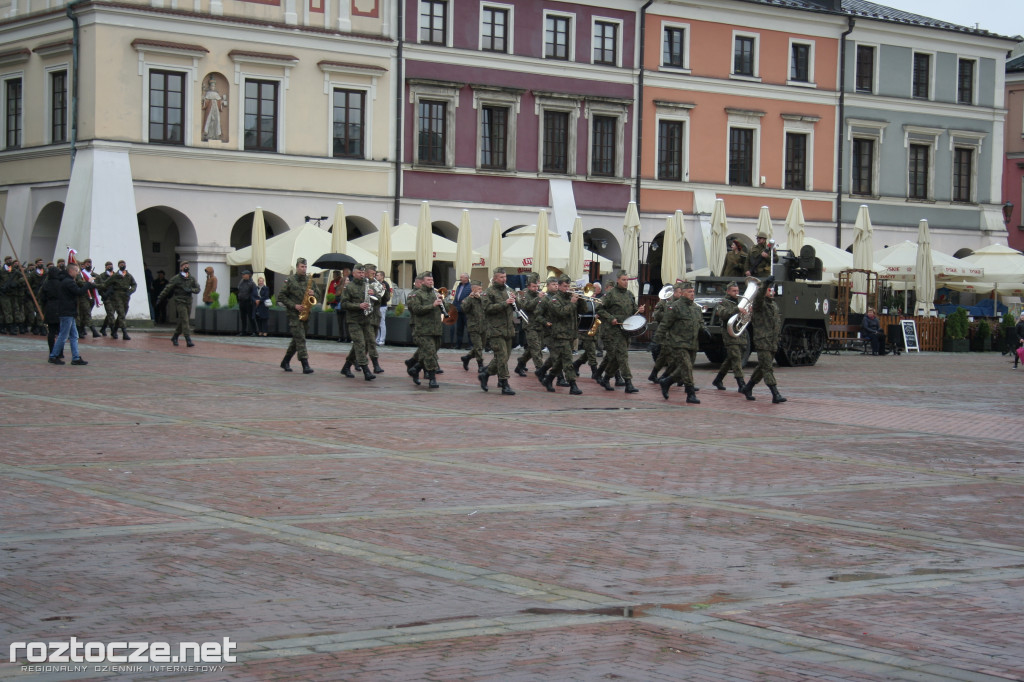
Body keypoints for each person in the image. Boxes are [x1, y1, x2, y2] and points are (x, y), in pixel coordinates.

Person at [595, 270, 644, 393]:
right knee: (622, 356)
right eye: (623, 280)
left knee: (617, 359)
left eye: (627, 280)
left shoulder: (629, 294)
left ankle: (606, 378)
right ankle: (628, 383)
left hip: (626, 330)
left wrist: (639, 310)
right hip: (613, 331)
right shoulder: (611, 294)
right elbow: (599, 309)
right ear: (618, 280)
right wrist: (611, 318)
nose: (626, 282)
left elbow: (633, 310)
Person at [741, 278, 787, 403]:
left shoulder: (773, 304)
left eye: (771, 289)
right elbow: (760, 296)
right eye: (768, 289)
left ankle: (748, 387)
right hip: (762, 341)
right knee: (767, 368)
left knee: (762, 367)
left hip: (772, 342)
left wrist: (778, 338)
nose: (771, 291)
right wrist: (765, 283)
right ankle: (775, 394)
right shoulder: (759, 304)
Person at [658, 281, 703, 403]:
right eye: (689, 292)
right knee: (687, 367)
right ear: (682, 293)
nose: (692, 294)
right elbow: (664, 324)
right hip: (679, 343)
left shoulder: (695, 307)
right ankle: (690, 394)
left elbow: (700, 322)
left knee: (684, 368)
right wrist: (656, 340)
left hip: (692, 343)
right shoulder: (675, 307)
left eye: (693, 292)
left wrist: (705, 330)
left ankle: (666, 382)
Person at [540, 274, 583, 394]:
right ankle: (573, 385)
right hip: (560, 334)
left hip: (571, 334)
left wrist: (580, 300)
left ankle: (548, 379)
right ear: (559, 286)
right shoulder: (554, 299)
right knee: (568, 359)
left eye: (568, 286)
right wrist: (573, 302)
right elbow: (561, 313)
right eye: (565, 286)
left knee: (560, 361)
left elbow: (583, 310)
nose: (567, 288)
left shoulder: (570, 297)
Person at [477, 268, 517, 395]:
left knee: (504, 357)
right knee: (502, 356)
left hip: (508, 329)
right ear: (494, 278)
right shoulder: (488, 292)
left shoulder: (509, 290)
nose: (504, 279)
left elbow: (519, 306)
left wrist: (517, 300)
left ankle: (486, 373)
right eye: (501, 277)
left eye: (505, 277)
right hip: (495, 330)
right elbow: (487, 308)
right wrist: (504, 303)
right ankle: (505, 384)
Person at [47, 262, 95, 365]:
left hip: (70, 312)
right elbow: (79, 292)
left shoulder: (66, 281)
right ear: (71, 271)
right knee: (63, 335)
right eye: (76, 271)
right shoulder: (68, 282)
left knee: (74, 335)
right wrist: (88, 283)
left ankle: (76, 357)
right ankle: (53, 356)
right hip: (67, 312)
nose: (77, 273)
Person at [276, 258, 315, 374]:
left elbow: (318, 294)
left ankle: (285, 361)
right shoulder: (290, 280)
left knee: (297, 339)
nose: (304, 269)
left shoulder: (309, 280)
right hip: (294, 314)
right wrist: (294, 306)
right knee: (301, 339)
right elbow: (281, 297)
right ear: (297, 267)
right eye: (302, 267)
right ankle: (305, 364)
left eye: (305, 267)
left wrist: (314, 293)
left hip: (306, 313)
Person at [339, 264, 378, 381]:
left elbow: (378, 299)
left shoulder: (367, 285)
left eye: (362, 273)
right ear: (353, 274)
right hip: (353, 320)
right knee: (360, 344)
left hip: (366, 319)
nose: (362, 275)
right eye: (359, 273)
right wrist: (358, 306)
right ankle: (366, 370)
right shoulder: (349, 287)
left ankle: (346, 367)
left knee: (363, 344)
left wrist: (373, 294)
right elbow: (344, 304)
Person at [406, 270, 444, 388]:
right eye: (428, 280)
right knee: (430, 353)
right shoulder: (416, 295)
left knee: (429, 352)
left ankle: (415, 368)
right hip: (423, 329)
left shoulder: (434, 293)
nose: (431, 282)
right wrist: (432, 305)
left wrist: (442, 302)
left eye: (432, 280)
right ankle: (432, 378)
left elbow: (444, 308)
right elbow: (416, 309)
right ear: (422, 282)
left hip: (436, 328)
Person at [711, 281, 748, 390]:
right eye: (734, 291)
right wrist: (737, 309)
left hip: (740, 333)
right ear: (728, 291)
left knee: (732, 358)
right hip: (729, 333)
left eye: (737, 291)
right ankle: (742, 384)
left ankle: (718, 379)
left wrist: (749, 311)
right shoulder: (723, 302)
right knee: (736, 358)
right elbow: (723, 314)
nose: (736, 293)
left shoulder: (741, 301)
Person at [156, 261, 201, 347]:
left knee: (182, 320)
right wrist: (160, 297)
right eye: (184, 266)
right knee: (185, 320)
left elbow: (198, 289)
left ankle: (175, 336)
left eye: (187, 265)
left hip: (188, 301)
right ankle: (188, 340)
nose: (186, 267)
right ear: (181, 268)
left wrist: (191, 290)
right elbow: (167, 288)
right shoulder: (176, 278)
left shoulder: (191, 278)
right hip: (180, 301)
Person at [513, 274, 544, 377]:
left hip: (539, 325)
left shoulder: (538, 294)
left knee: (532, 349)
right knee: (536, 349)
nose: (536, 288)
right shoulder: (525, 294)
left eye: (537, 286)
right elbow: (527, 306)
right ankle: (540, 370)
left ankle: (520, 363)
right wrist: (538, 298)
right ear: (529, 286)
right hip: (530, 325)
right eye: (534, 286)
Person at [363, 264, 388, 371]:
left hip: (375, 316)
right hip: (366, 317)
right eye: (372, 273)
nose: (374, 276)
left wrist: (384, 290)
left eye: (375, 274)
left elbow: (384, 299)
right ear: (366, 273)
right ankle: (375, 365)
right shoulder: (363, 284)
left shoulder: (377, 284)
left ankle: (351, 363)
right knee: (372, 341)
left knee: (364, 343)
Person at [107, 260, 137, 340]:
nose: (122, 266)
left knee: (123, 313)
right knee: (121, 314)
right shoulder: (115, 276)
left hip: (126, 296)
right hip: (117, 296)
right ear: (118, 266)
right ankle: (124, 333)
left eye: (123, 264)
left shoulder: (128, 276)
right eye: (121, 264)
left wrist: (131, 291)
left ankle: (114, 330)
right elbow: (106, 284)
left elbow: (134, 284)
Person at [460, 280, 485, 371]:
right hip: (474, 327)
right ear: (473, 289)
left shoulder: (483, 298)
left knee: (481, 346)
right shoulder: (467, 299)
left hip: (484, 326)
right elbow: (464, 309)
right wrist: (470, 298)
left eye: (481, 289)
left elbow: (488, 306)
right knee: (478, 347)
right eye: (479, 289)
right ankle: (480, 365)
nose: (481, 290)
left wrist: (480, 298)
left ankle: (467, 358)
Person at [38, 265, 63, 357]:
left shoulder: (46, 284)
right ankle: (60, 352)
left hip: (49, 307)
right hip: (59, 307)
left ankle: (51, 351)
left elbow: (42, 297)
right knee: (61, 332)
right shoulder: (61, 283)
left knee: (51, 332)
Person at [451, 273, 473, 349]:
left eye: (462, 277)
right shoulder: (459, 286)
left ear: (466, 278)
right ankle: (458, 344)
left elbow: (471, 298)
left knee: (469, 328)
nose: (460, 278)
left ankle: (471, 344)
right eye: (460, 277)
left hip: (467, 311)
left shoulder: (470, 287)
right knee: (459, 329)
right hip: (458, 310)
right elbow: (456, 297)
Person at [95, 262, 116, 335]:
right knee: (110, 313)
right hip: (107, 297)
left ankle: (103, 328)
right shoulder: (102, 276)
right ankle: (113, 330)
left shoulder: (116, 275)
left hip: (115, 297)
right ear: (106, 267)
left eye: (111, 265)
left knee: (111, 313)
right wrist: (103, 294)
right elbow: (98, 286)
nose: (110, 267)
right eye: (108, 266)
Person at [236, 269, 256, 336]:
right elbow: (239, 289)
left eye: (244, 274)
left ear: (248, 275)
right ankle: (243, 331)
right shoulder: (241, 282)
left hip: (248, 302)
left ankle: (254, 331)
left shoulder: (252, 283)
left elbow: (254, 293)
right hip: (242, 301)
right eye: (242, 274)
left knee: (251, 317)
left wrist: (251, 300)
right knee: (243, 317)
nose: (243, 275)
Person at [374, 269, 391, 346]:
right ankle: (377, 338)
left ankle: (382, 339)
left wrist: (384, 290)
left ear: (382, 276)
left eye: (378, 275)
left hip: (382, 306)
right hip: (376, 305)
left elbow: (387, 297)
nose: (376, 276)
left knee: (381, 322)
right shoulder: (376, 284)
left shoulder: (385, 284)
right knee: (377, 322)